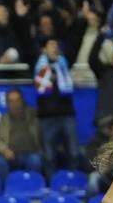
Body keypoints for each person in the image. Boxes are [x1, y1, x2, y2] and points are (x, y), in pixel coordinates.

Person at [34, 37, 79, 174]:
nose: (55, 48)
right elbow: (40, 87)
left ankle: (73, 181)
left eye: (57, 45)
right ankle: (51, 187)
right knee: (49, 156)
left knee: (74, 153)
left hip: (66, 114)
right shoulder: (39, 67)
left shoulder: (64, 65)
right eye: (51, 45)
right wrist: (49, 75)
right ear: (44, 49)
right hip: (47, 117)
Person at [0, 87, 43, 192]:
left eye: (17, 100)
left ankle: (33, 191)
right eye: (11, 101)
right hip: (10, 155)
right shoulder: (4, 119)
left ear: (22, 100)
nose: (15, 104)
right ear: (7, 103)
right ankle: (6, 192)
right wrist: (4, 150)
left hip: (30, 153)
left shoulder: (33, 115)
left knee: (35, 160)